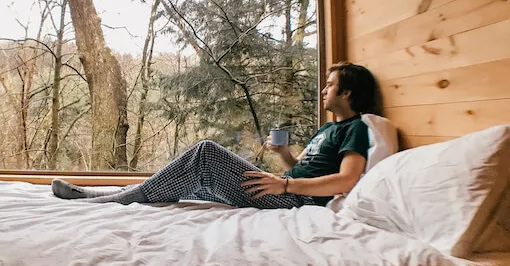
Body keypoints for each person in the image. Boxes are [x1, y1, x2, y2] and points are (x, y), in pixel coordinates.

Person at [51, 62, 377, 209]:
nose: (323, 89)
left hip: (296, 200)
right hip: (284, 188)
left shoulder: (357, 128)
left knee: (206, 153)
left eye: (330, 85)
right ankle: (97, 194)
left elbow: (347, 179)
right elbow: (302, 164)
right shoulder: (328, 128)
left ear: (347, 93)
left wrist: (286, 184)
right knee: (184, 182)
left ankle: (109, 200)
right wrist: (283, 157)